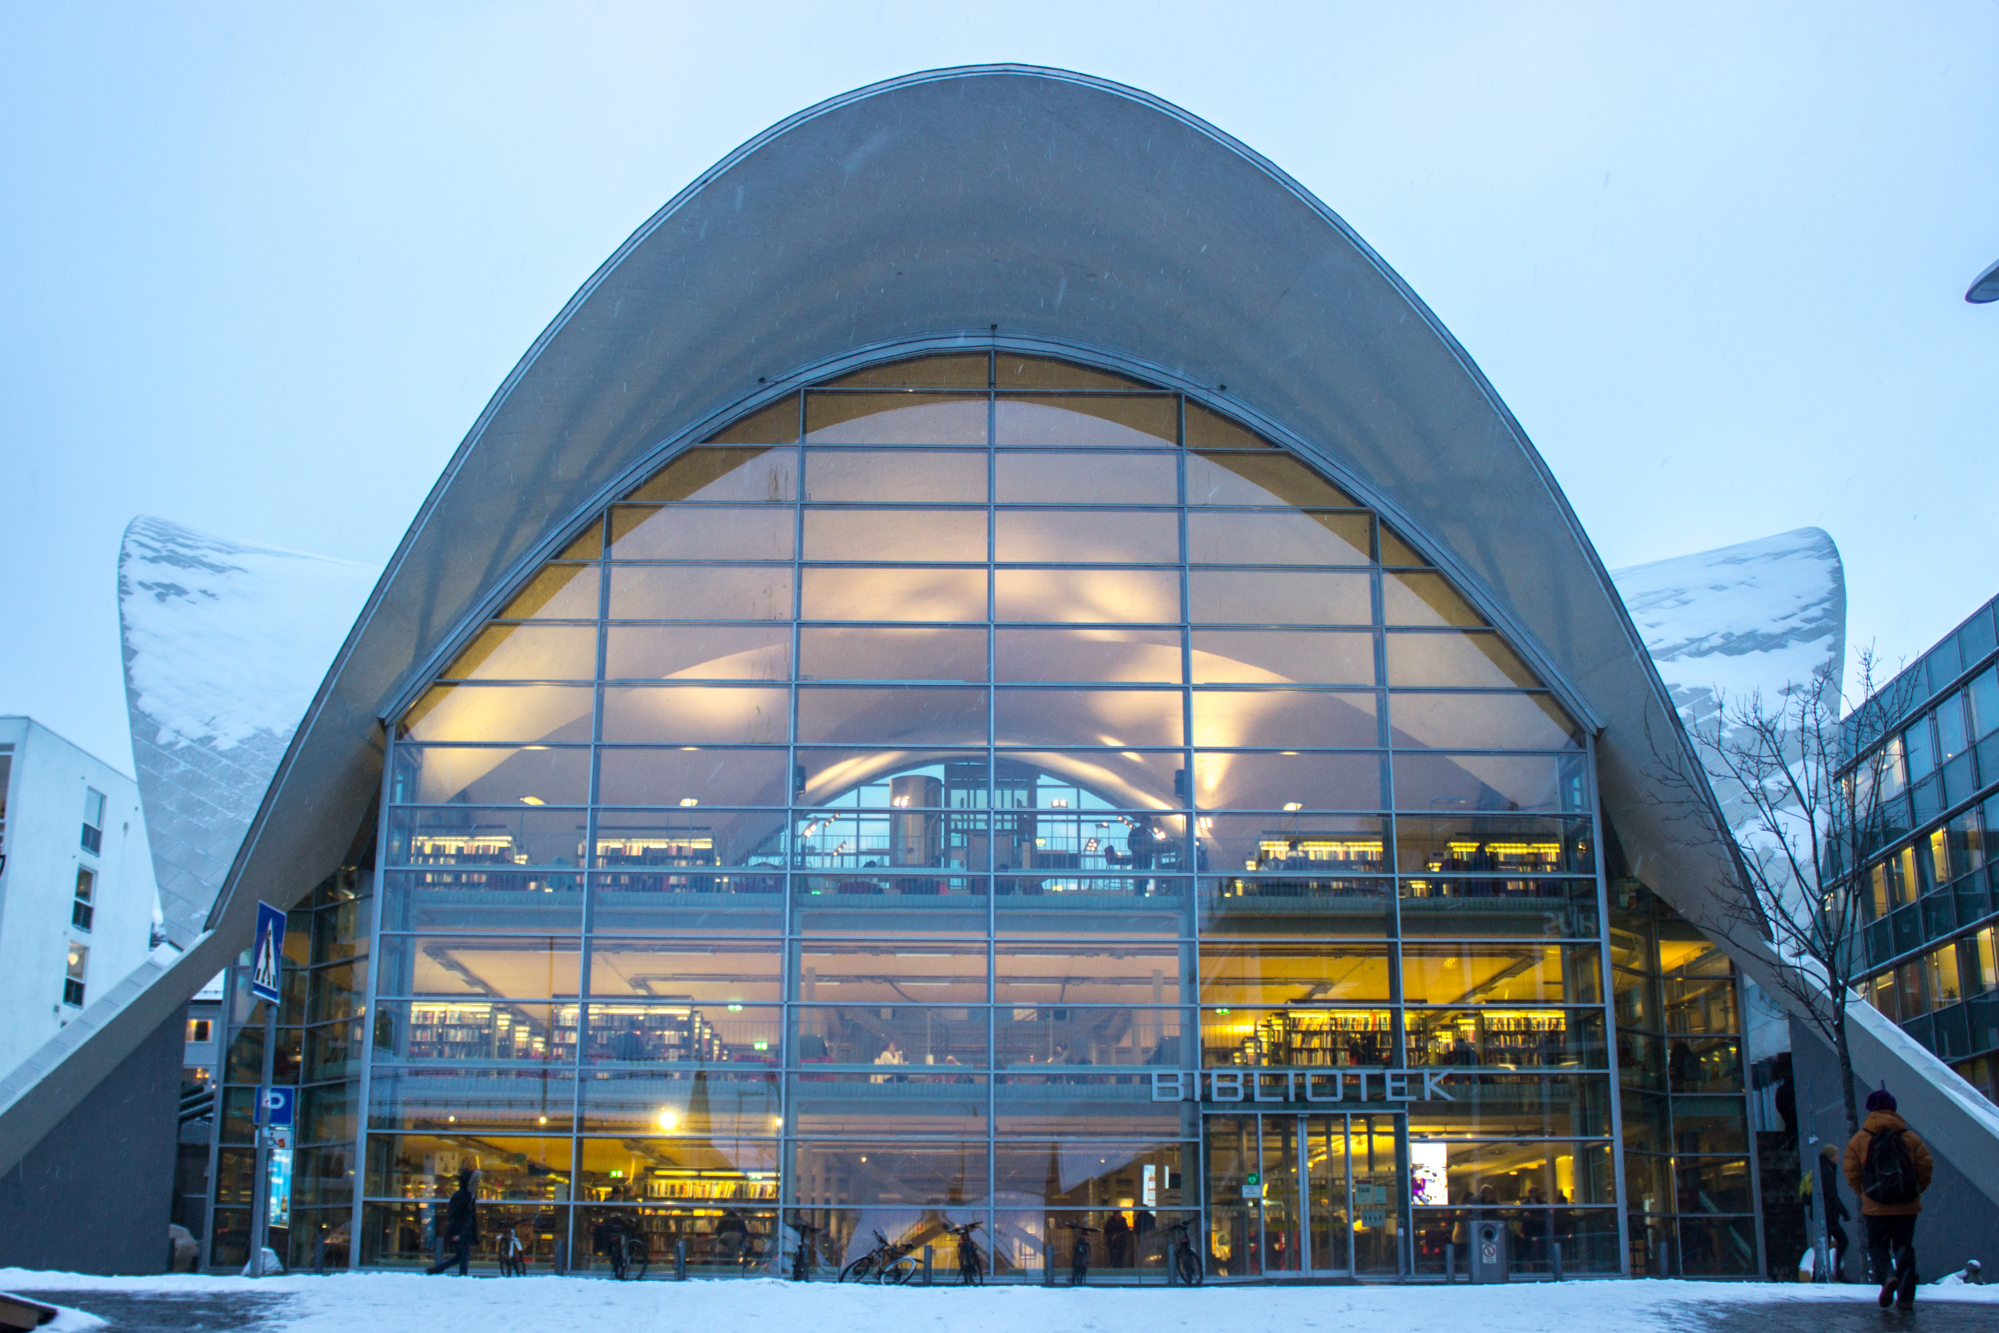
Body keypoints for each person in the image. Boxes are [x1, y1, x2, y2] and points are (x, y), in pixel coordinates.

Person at [1843, 1088, 1934, 1309]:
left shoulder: (1859, 1140)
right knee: (1904, 1246)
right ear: (1893, 1109)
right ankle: (1905, 1298)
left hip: (1876, 1206)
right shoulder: (1910, 1138)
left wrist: (1866, 1194)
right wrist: (1913, 1191)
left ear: (1870, 1110)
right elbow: (1925, 1167)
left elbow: (1851, 1172)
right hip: (1906, 1205)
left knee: (1877, 1245)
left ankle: (1887, 1276)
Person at [426, 1168, 480, 1276]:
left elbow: (468, 1216)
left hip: (464, 1230)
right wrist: (456, 1233)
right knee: (463, 1256)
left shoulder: (467, 1195)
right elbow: (455, 1215)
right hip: (462, 1230)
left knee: (461, 1256)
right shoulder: (463, 1196)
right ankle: (461, 1275)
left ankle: (439, 1270)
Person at [1817, 1146, 1851, 1281]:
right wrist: (1843, 1211)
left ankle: (1826, 1273)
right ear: (1830, 1156)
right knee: (1841, 1241)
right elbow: (1832, 1195)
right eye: (1836, 1155)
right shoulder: (1827, 1171)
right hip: (1829, 1215)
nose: (1838, 1157)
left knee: (1825, 1245)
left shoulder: (1823, 1168)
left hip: (1826, 1215)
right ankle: (1836, 1272)